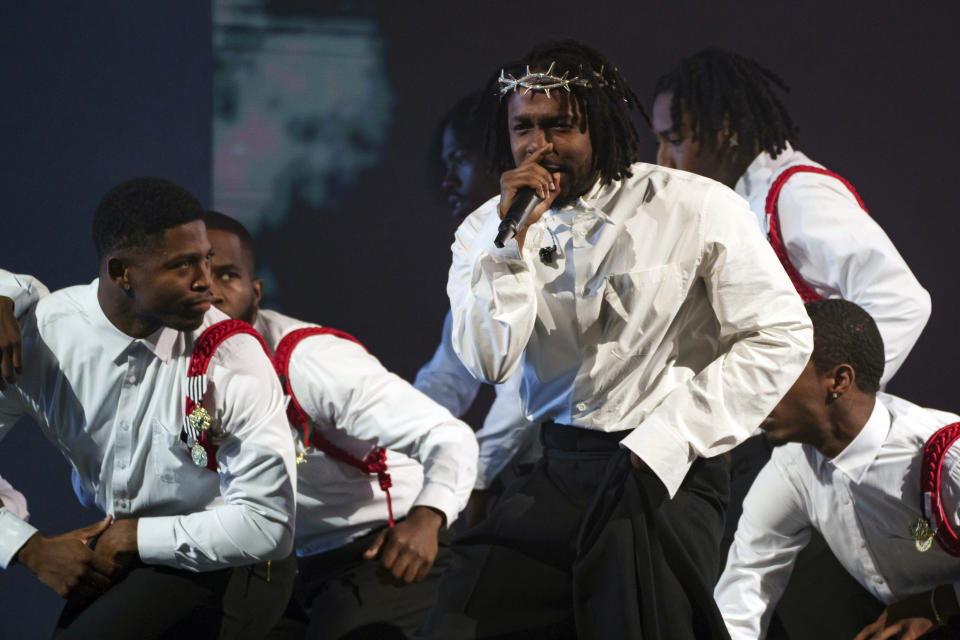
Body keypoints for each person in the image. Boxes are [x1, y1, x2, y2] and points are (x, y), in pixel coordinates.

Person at [424, 40, 813, 639]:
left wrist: (672, 436)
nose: (538, 146)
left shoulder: (695, 206)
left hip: (662, 467)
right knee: (462, 615)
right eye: (523, 127)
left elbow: (780, 333)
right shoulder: (485, 232)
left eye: (560, 127)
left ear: (601, 127)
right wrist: (507, 250)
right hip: (558, 463)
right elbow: (491, 362)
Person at [651, 48, 933, 637]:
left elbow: (902, 299)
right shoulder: (732, 208)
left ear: (723, 129)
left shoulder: (792, 194)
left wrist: (841, 406)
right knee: (741, 591)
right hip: (765, 443)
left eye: (675, 138)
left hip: (802, 440)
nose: (663, 159)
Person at [0, 178, 297, 637]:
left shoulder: (233, 359)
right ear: (122, 272)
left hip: (239, 558)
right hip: (127, 553)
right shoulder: (43, 340)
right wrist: (27, 547)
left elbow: (268, 524)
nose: (207, 284)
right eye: (183, 266)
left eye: (208, 261)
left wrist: (134, 537)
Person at [203, 211, 478, 639]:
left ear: (255, 293)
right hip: (283, 564)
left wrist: (426, 520)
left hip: (383, 545)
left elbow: (449, 436)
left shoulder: (308, 361)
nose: (210, 291)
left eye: (227, 275)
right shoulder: (179, 373)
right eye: (196, 273)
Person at [716, 299, 960, 640]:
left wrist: (939, 602)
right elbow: (748, 581)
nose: (759, 392)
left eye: (778, 373)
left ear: (839, 380)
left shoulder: (945, 458)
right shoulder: (791, 469)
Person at [414, 93, 539, 525]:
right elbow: (449, 376)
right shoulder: (477, 249)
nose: (447, 180)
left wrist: (478, 477)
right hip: (512, 474)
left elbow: (527, 394)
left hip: (554, 477)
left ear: (497, 161)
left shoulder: (545, 241)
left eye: (459, 161)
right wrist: (389, 437)